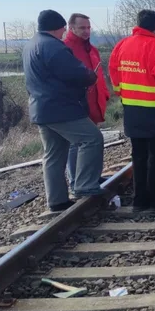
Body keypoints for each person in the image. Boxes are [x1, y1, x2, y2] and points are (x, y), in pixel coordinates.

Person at [23, 10, 105, 212]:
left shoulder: (31, 45)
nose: (63, 33)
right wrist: (90, 77)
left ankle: (57, 201)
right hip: (61, 108)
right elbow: (74, 72)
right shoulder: (53, 46)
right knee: (92, 138)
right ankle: (85, 185)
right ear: (59, 27)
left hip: (40, 108)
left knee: (54, 154)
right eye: (63, 29)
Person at [109, 10, 155, 210]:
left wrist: (122, 94)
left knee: (139, 157)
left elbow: (114, 73)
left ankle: (140, 201)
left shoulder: (122, 45)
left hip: (132, 111)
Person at [62, 13, 110, 196]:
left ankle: (93, 177)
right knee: (77, 144)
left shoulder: (92, 49)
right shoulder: (66, 49)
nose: (86, 31)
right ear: (71, 28)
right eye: (82, 28)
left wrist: (104, 95)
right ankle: (76, 182)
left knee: (94, 142)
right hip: (77, 104)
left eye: (88, 27)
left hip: (94, 102)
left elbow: (99, 76)